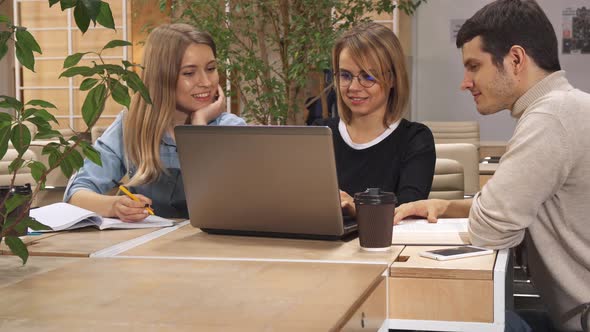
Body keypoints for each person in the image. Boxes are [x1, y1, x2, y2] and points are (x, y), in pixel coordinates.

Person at [393, 1, 590, 331]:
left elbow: (490, 229)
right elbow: (514, 208)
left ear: (515, 60)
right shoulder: (564, 108)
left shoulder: (549, 118)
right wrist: (447, 205)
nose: (465, 82)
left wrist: (474, 209)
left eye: (473, 66)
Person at [64, 23, 246, 221]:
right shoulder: (132, 125)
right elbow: (76, 194)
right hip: (144, 248)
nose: (206, 82)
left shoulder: (231, 130)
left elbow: (238, 207)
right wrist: (115, 206)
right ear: (160, 77)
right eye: (189, 73)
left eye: (211, 69)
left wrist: (199, 126)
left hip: (211, 250)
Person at [314, 22, 435, 215]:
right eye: (345, 75)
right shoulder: (320, 133)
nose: (353, 87)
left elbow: (408, 209)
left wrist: (356, 206)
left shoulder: (414, 139)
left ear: (394, 78)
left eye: (368, 77)